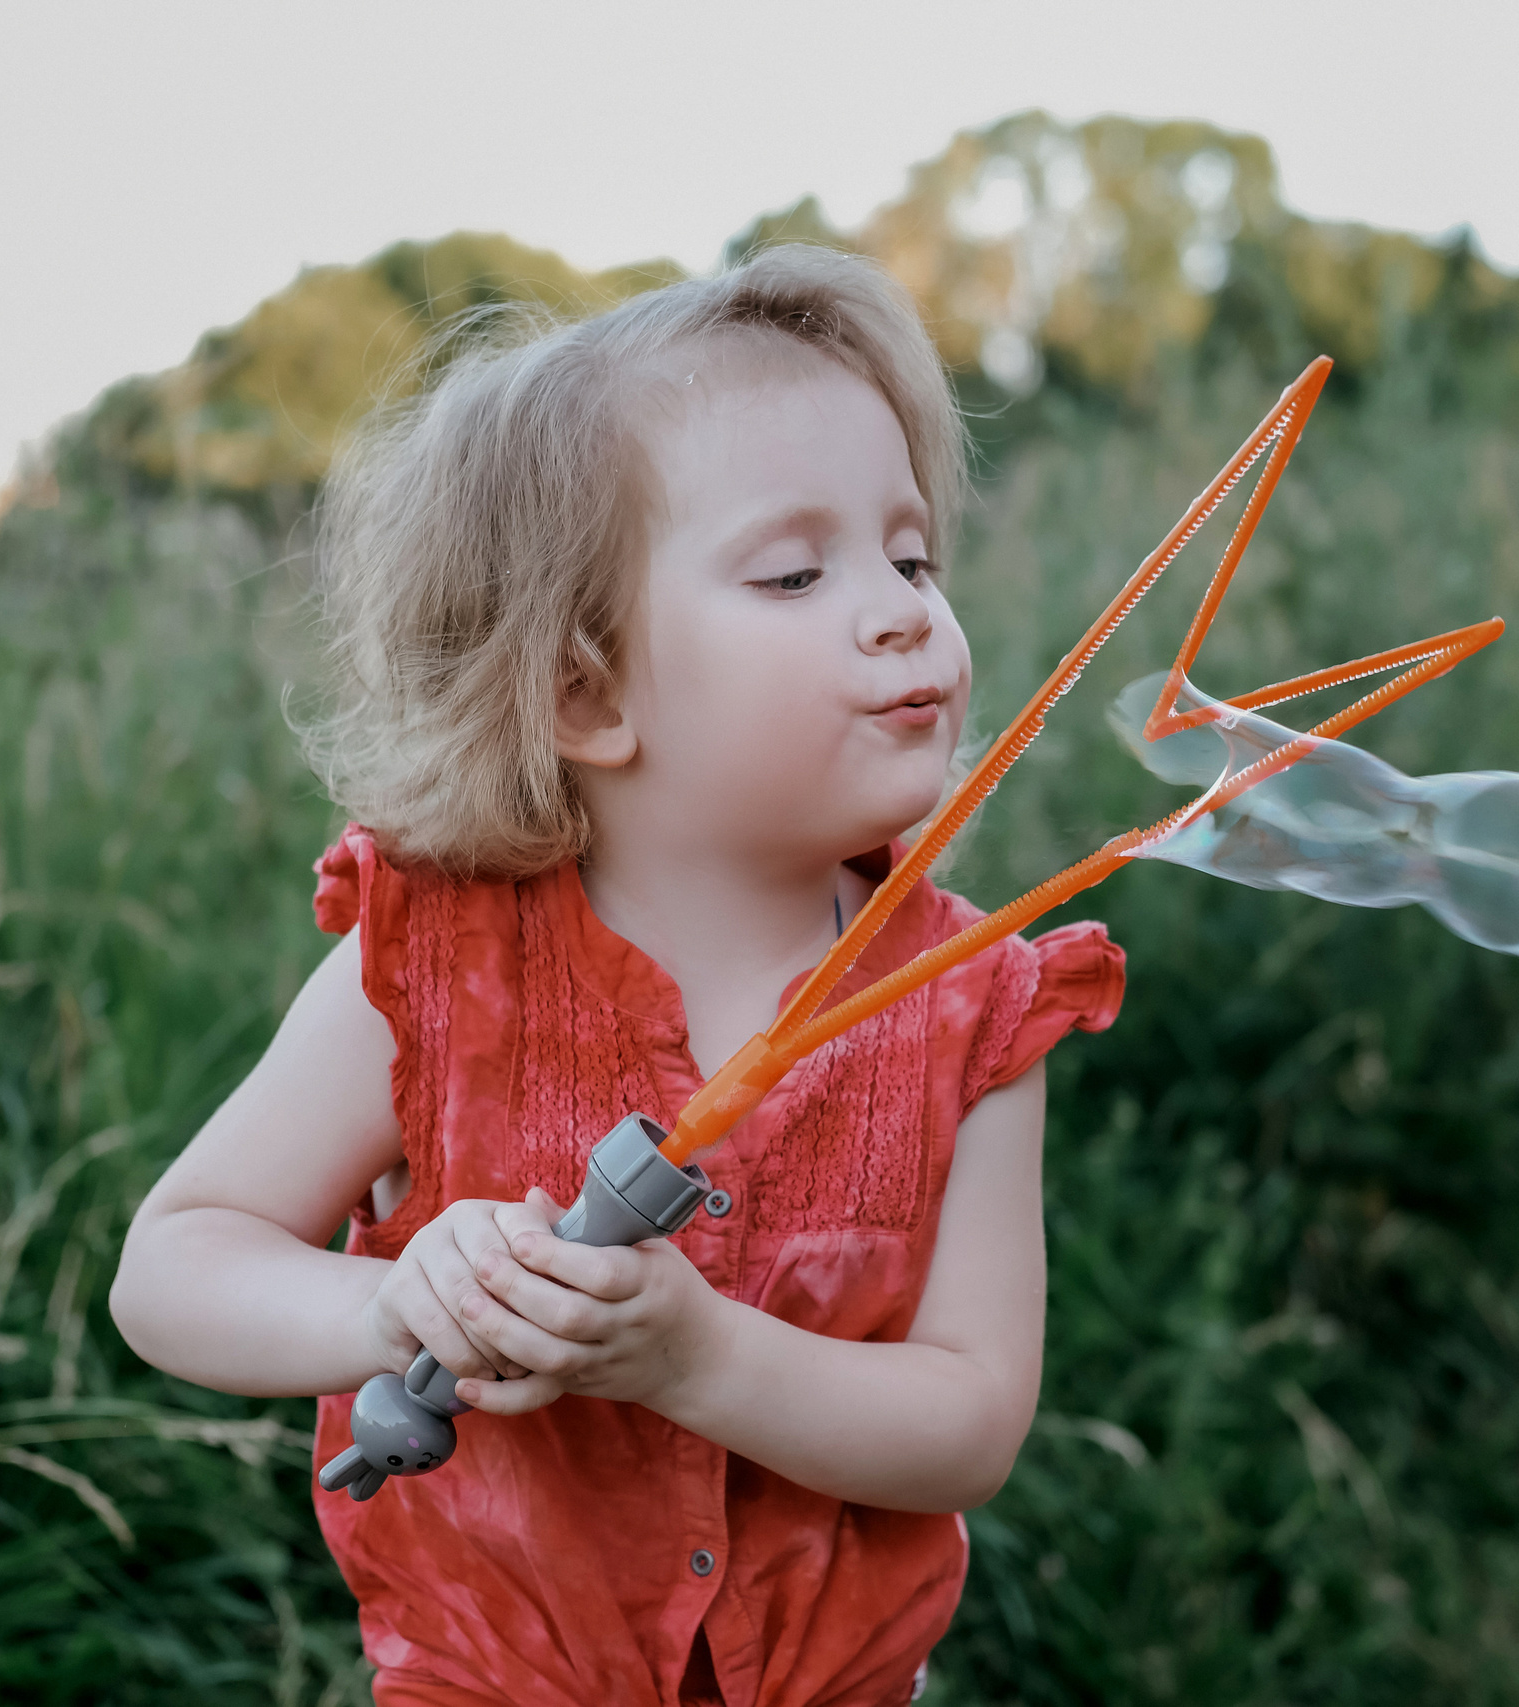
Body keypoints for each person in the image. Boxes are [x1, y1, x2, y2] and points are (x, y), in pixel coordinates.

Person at [110, 245, 1124, 1707]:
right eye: (795, 570)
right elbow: (176, 1266)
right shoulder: (438, 969)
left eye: (912, 556)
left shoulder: (966, 1002)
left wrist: (697, 1358)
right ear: (585, 691)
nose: (905, 609)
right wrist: (397, 1312)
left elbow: (967, 1423)